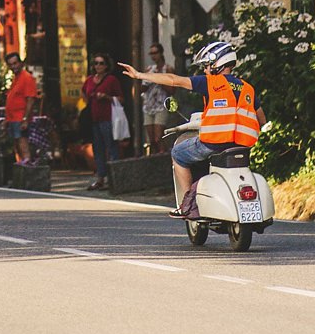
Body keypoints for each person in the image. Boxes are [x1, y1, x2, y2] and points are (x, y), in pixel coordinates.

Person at [121, 40, 263, 219]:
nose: (205, 70)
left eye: (207, 66)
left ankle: (189, 204)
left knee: (178, 153)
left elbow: (174, 80)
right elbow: (261, 119)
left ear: (217, 64)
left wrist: (140, 75)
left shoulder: (211, 83)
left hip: (214, 144)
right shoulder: (247, 88)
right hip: (242, 146)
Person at [82, 53, 122, 190]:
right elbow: (84, 93)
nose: (98, 66)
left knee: (111, 147)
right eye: (96, 63)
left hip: (108, 117)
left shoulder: (111, 80)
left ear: (106, 66)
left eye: (101, 63)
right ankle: (100, 178)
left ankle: (115, 178)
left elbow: (121, 99)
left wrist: (107, 97)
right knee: (97, 149)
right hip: (94, 119)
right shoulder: (89, 80)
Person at [4, 52, 41, 164]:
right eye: (11, 64)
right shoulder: (16, 78)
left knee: (22, 144)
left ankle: (27, 167)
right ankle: (21, 168)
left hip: (20, 117)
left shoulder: (27, 78)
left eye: (15, 63)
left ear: (20, 63)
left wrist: (25, 119)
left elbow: (30, 100)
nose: (13, 66)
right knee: (16, 144)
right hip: (13, 118)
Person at [141, 43, 172, 155]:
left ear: (161, 53)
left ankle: (163, 155)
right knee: (151, 139)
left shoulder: (167, 69)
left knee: (158, 136)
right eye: (151, 53)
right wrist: (148, 78)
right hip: (149, 105)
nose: (153, 56)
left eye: (155, 53)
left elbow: (172, 90)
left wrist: (159, 79)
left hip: (161, 104)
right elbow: (142, 88)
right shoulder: (149, 69)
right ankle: (156, 158)